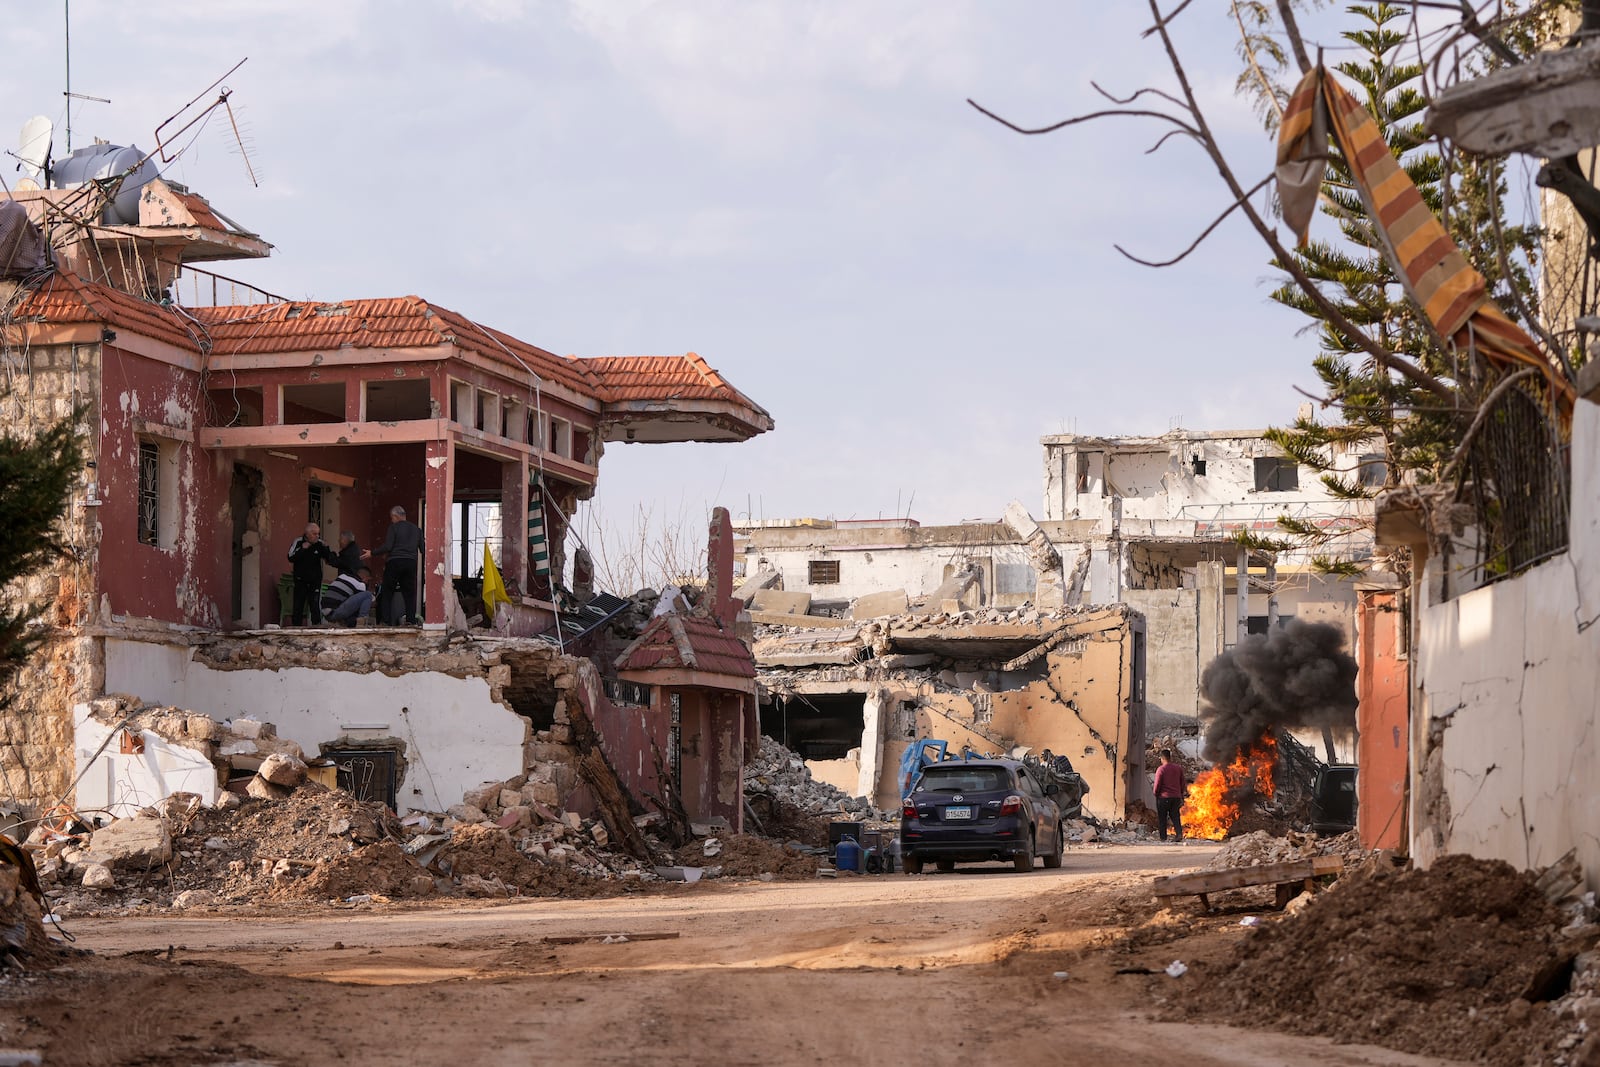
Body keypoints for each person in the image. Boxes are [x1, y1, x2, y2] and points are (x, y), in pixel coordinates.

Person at [363, 505, 424, 625]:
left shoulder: (394, 527)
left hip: (395, 562)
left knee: (387, 591)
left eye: (392, 518)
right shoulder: (417, 530)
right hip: (410, 563)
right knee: (409, 593)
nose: (392, 520)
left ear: (395, 516)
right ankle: (410, 621)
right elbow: (423, 549)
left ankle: (386, 621)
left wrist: (372, 553)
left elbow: (388, 546)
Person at [286, 522, 335, 626]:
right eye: (314, 534)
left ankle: (316, 627)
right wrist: (302, 549)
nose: (317, 536)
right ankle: (296, 629)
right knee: (298, 605)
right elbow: (290, 557)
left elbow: (329, 559)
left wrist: (327, 548)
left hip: (315, 580)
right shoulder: (298, 541)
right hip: (300, 579)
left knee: (315, 605)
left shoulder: (319, 543)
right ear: (307, 534)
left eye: (318, 534)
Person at [1153, 749, 1187, 843]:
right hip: (1176, 797)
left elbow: (1157, 784)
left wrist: (1156, 794)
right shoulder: (1178, 768)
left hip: (1164, 797)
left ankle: (1163, 837)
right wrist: (1180, 794)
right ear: (1170, 757)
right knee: (1175, 816)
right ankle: (1179, 834)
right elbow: (1182, 783)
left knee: (1162, 817)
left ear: (1162, 758)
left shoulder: (1161, 769)